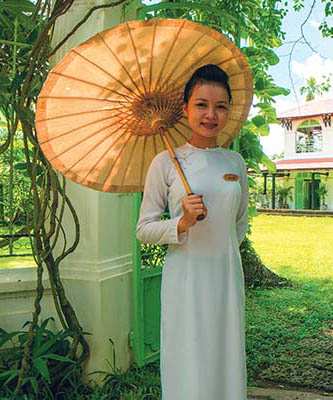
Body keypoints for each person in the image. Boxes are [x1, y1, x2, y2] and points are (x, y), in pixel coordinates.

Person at [136, 64, 249, 400]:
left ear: (228, 110)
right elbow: (144, 230)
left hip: (227, 277)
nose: (210, 114)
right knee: (188, 358)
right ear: (185, 109)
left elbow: (238, 223)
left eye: (220, 106)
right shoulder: (166, 163)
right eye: (201, 104)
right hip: (185, 280)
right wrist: (181, 224)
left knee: (226, 355)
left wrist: (222, 252)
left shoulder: (234, 162)